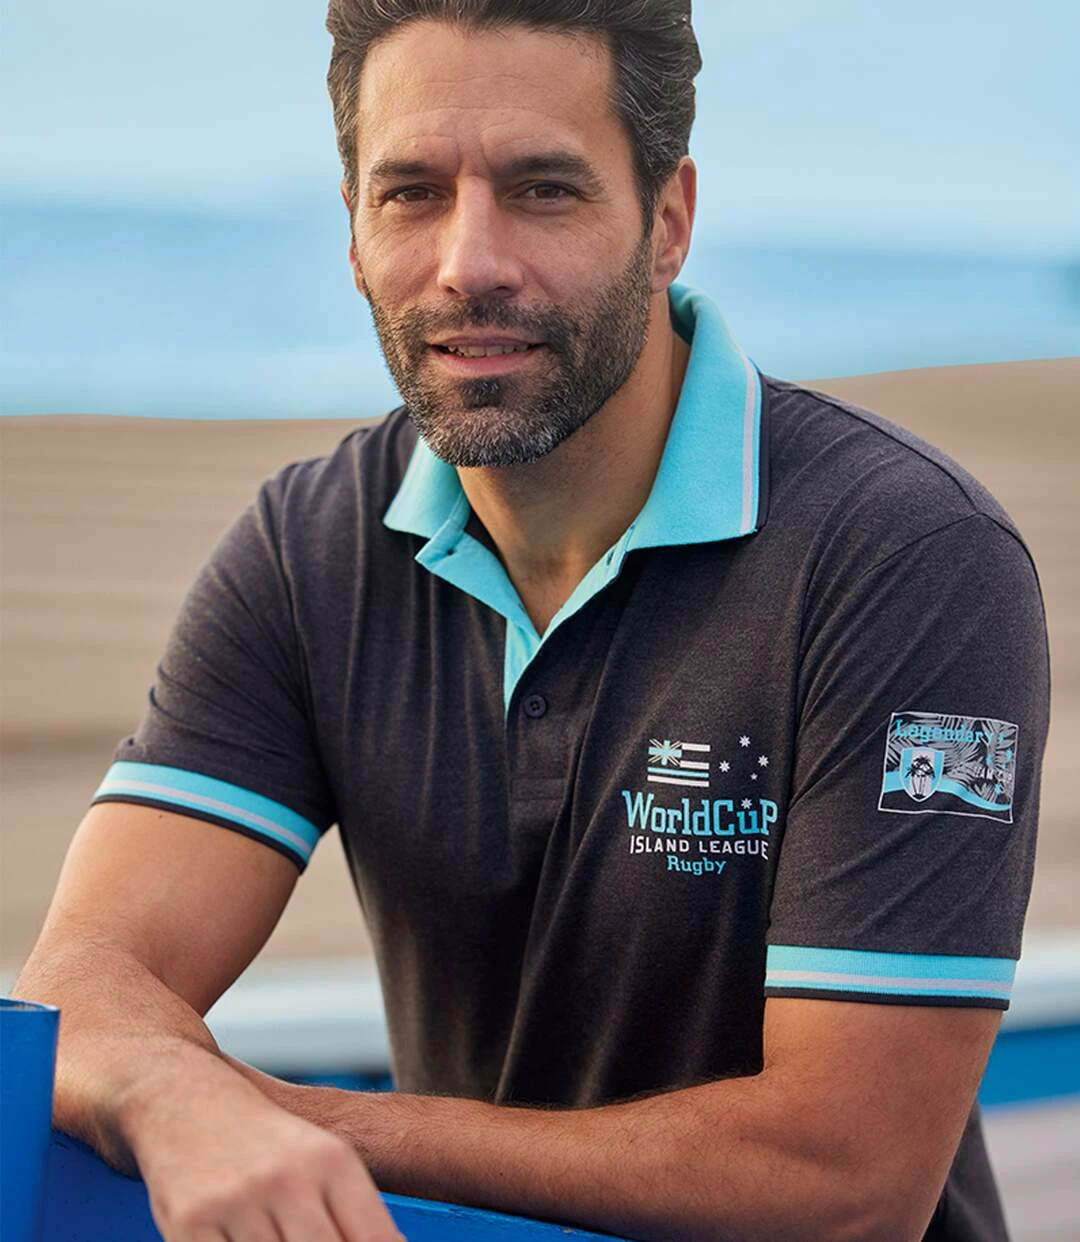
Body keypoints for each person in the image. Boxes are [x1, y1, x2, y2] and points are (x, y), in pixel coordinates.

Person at [13, 3, 1049, 1241]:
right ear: (352, 231)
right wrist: (169, 1092)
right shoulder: (310, 547)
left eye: (543, 190)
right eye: (410, 194)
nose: (470, 262)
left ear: (668, 221)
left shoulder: (907, 555)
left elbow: (847, 1179)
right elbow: (85, 981)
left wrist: (292, 1120)